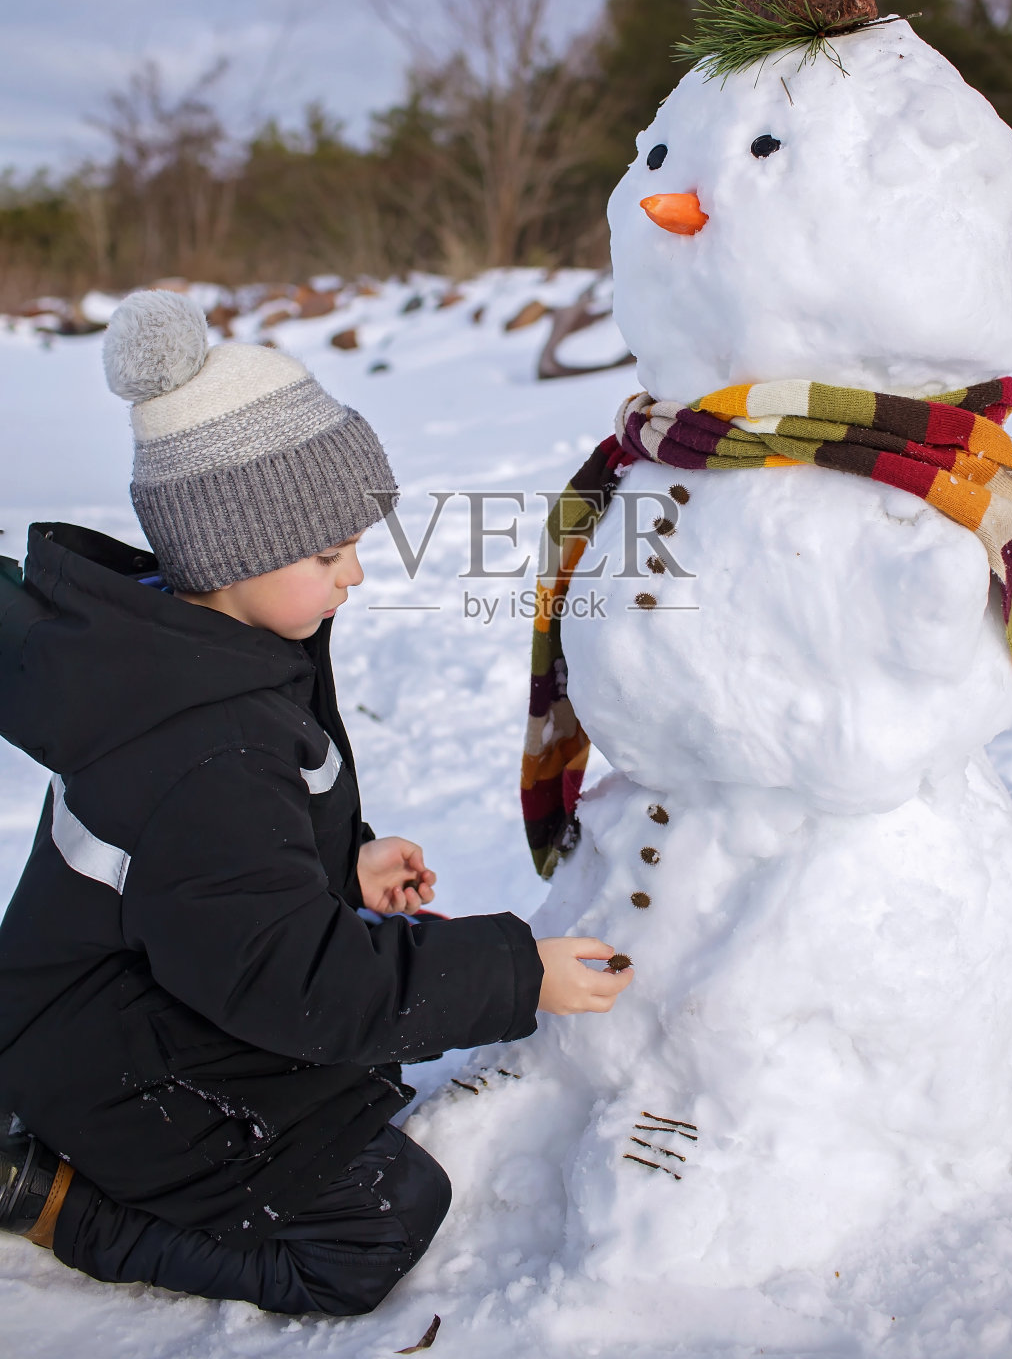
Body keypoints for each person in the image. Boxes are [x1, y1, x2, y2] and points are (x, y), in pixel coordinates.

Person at [0, 290, 632, 1316]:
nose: (357, 574)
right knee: (373, 1214)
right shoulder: (201, 743)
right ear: (233, 549)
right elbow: (290, 976)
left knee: (358, 1076)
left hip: (156, 988)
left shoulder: (204, 654)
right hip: (106, 1061)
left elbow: (213, 883)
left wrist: (340, 867)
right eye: (328, 552)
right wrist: (515, 971)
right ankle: (48, 1192)